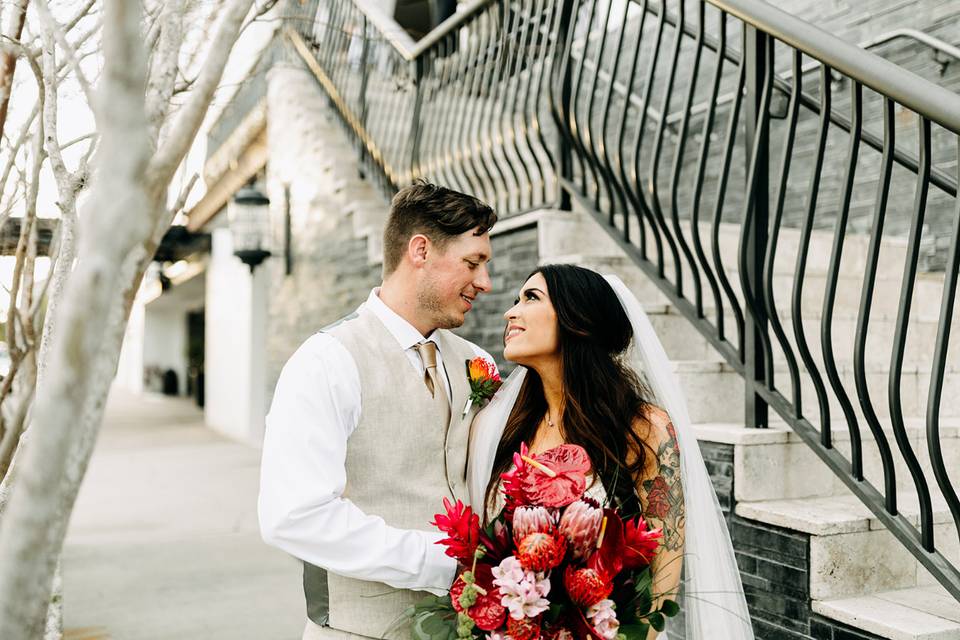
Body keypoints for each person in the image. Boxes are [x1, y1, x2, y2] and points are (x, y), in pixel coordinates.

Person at [259, 181, 498, 639]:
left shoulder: (477, 363)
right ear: (420, 250)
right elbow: (295, 515)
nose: (485, 283)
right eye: (473, 263)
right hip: (359, 630)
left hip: (470, 626)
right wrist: (440, 563)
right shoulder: (326, 361)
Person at [467, 264, 755, 639]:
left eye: (531, 298)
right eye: (516, 300)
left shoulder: (644, 428)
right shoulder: (502, 426)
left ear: (578, 319)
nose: (510, 312)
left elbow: (664, 564)